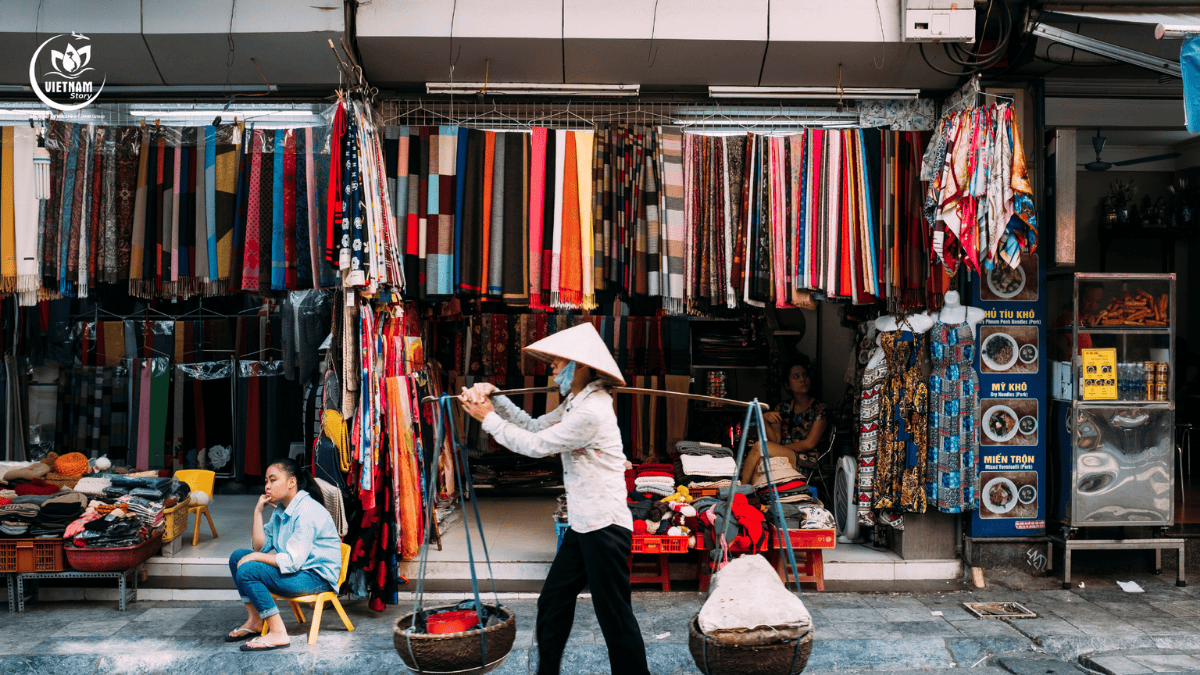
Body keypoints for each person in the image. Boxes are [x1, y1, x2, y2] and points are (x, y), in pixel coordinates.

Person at [459, 322, 651, 675]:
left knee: (615, 618)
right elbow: (533, 426)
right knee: (553, 601)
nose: (551, 367)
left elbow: (534, 447)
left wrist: (487, 418)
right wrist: (497, 400)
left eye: (557, 362)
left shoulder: (592, 411)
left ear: (579, 366)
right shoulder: (577, 403)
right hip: (585, 524)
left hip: (604, 528)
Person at [225, 458, 343, 652]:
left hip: (316, 577)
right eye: (266, 481)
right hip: (299, 572)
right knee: (237, 557)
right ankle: (255, 621)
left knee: (248, 568)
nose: (268, 486)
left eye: (273, 480)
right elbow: (260, 548)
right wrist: (257, 511)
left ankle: (278, 631)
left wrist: (254, 558)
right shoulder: (282, 510)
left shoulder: (306, 511)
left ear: (291, 482)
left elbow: (292, 562)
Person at [741, 356, 829, 487]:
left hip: (808, 460)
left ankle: (739, 490)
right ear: (788, 385)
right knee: (760, 461)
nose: (802, 379)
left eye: (805, 375)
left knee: (760, 447)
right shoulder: (782, 408)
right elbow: (775, 440)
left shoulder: (820, 409)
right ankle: (757, 500)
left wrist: (777, 449)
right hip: (785, 456)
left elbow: (809, 444)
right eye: (796, 377)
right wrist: (764, 419)